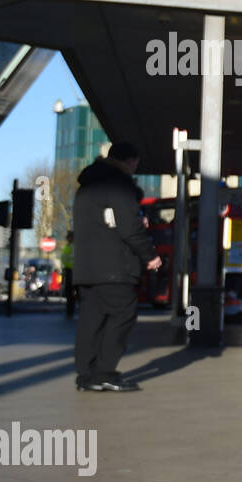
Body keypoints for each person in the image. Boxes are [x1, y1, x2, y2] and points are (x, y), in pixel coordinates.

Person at [72, 142, 160, 392]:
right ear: (130, 161)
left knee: (91, 319)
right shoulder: (118, 185)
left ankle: (86, 375)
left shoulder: (87, 186)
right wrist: (150, 256)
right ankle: (105, 373)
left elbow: (104, 221)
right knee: (123, 314)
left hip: (87, 268)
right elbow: (129, 228)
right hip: (115, 266)